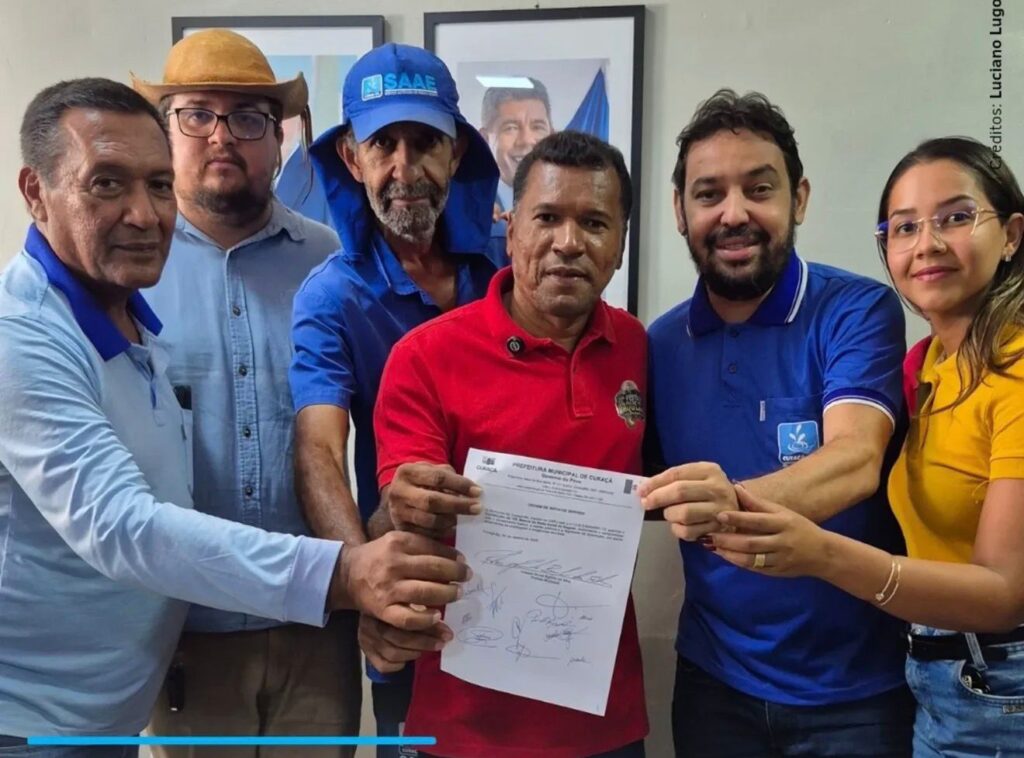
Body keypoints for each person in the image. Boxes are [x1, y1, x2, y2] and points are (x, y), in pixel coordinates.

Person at [0, 77, 467, 755]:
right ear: (36, 192)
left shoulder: (136, 320)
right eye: (106, 184)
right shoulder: (21, 335)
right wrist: (345, 573)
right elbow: (123, 527)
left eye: (158, 185)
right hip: (30, 720)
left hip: (109, 711)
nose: (143, 213)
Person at [708, 137, 1024, 758]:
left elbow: (1003, 594)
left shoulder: (1015, 371)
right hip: (940, 679)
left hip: (1001, 690)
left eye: (956, 217)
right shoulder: (927, 365)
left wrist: (821, 554)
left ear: (1011, 235)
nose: (927, 244)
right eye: (904, 227)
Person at [640, 89, 915, 756]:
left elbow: (855, 461)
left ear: (799, 198)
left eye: (758, 189)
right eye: (709, 194)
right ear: (679, 211)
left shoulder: (857, 310)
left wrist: (726, 504)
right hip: (714, 685)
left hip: (856, 695)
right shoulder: (659, 344)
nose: (734, 213)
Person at [362, 130, 648, 758]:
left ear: (620, 245)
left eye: (594, 223)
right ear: (511, 230)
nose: (568, 242)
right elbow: (392, 525)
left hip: (605, 722)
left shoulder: (639, 350)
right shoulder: (425, 357)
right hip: (463, 726)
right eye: (547, 218)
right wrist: (402, 509)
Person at [130, 30, 359, 754]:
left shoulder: (329, 263)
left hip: (318, 623)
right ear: (166, 132)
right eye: (197, 114)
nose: (222, 136)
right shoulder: (129, 268)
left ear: (280, 138)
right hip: (185, 631)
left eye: (249, 117)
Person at [288, 43, 506, 753]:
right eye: (383, 144)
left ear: (456, 152)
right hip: (410, 597)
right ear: (351, 157)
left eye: (425, 143)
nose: (405, 170)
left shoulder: (511, 266)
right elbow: (319, 450)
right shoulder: (331, 296)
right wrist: (365, 587)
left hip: (530, 580)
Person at [479, 78, 553, 214]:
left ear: (552, 135)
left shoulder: (570, 202)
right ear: (484, 139)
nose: (526, 140)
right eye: (511, 128)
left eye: (537, 127)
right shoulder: (468, 207)